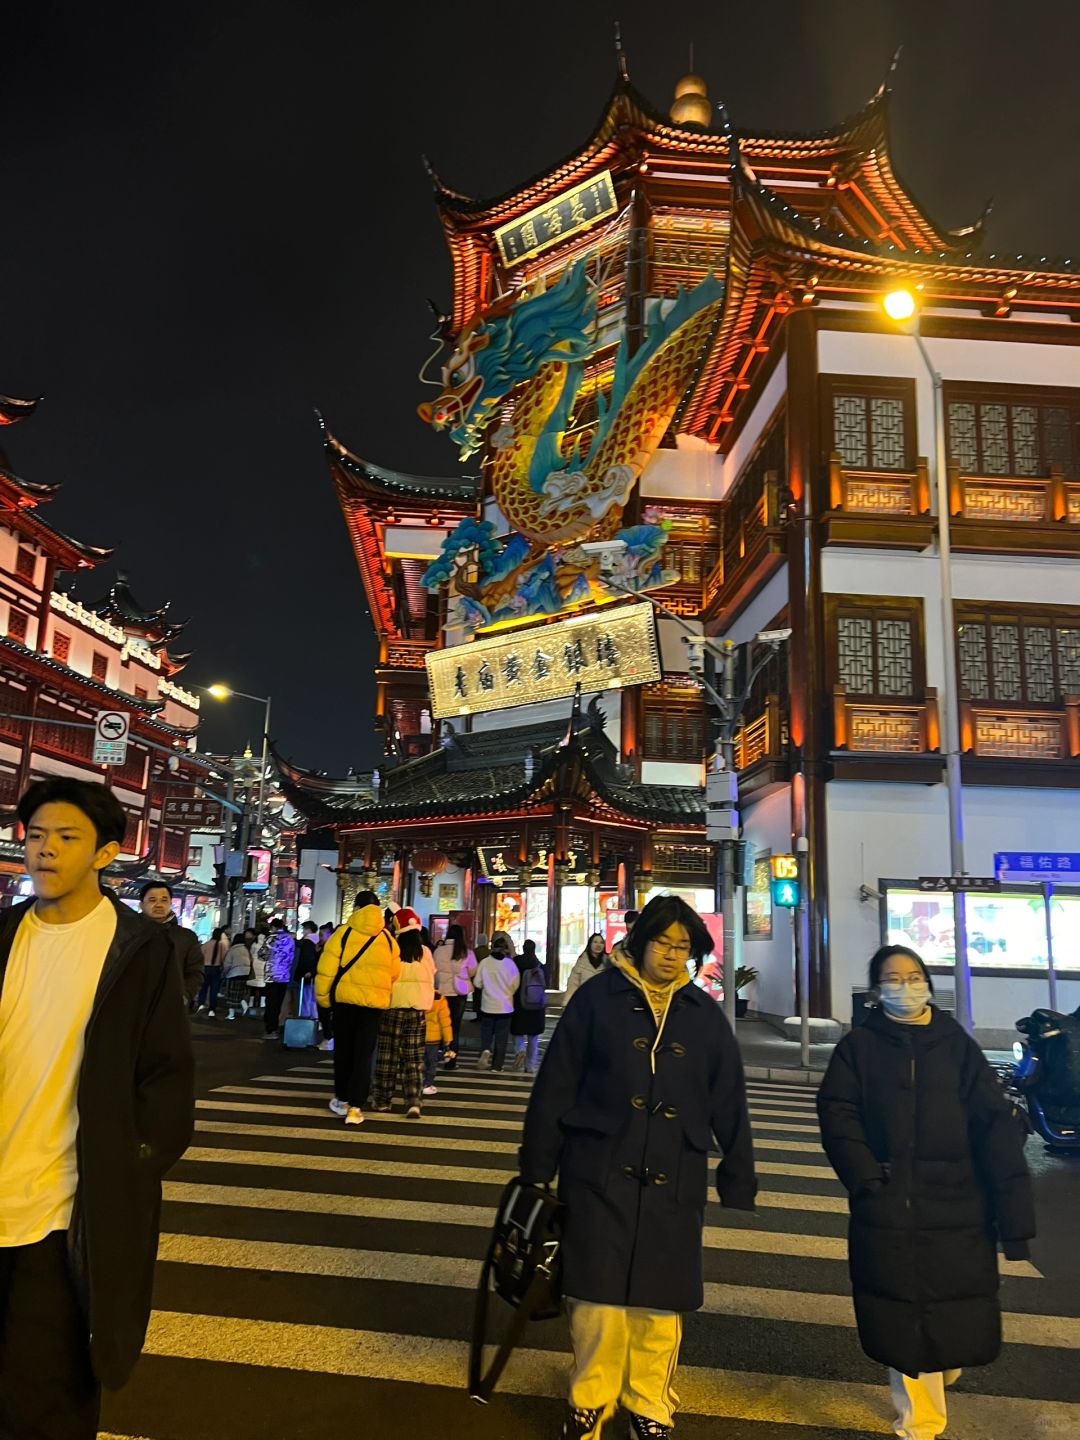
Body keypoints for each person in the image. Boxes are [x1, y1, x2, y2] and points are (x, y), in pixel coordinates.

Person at [520, 894, 756, 1440]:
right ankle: (590, 1396)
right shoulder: (595, 1000)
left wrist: (738, 1169)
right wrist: (538, 1163)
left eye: (683, 947)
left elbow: (730, 1097)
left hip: (676, 1172)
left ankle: (650, 1402)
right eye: (663, 942)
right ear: (640, 940)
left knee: (660, 1303)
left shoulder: (702, 1015)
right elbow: (557, 1083)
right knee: (596, 1299)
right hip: (598, 1169)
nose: (672, 955)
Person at [0, 777, 194, 1436]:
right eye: (35, 836)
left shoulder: (139, 949)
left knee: (46, 1393)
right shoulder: (4, 937)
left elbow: (167, 1074)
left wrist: (132, 1161)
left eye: (66, 838)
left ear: (106, 853)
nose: (44, 851)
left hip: (63, 1213)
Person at [817, 944, 1035, 1440]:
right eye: (892, 978)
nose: (904, 985)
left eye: (913, 976)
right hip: (890, 1205)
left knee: (948, 1328)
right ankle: (920, 1425)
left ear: (927, 984)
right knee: (908, 1322)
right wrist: (867, 1177)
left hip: (958, 1207)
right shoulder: (860, 1048)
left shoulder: (956, 1046)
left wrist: (1015, 1221)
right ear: (876, 990)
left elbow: (993, 1127)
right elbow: (837, 1113)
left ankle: (942, 1368)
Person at [315, 891, 401, 1126]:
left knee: (344, 1052)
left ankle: (342, 1099)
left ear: (357, 908)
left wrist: (323, 1000)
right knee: (364, 1054)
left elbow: (326, 970)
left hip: (344, 1003)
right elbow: (394, 974)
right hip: (373, 1007)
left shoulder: (343, 934)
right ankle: (356, 1106)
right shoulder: (388, 940)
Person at [372, 908, 436, 1118]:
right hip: (417, 1010)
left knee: (387, 1056)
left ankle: (382, 1100)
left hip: (392, 1007)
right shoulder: (425, 952)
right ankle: (414, 1101)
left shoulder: (392, 948)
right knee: (414, 1058)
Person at [139, 880, 203, 1006]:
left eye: (164, 900)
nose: (159, 905)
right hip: (132, 1005)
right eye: (152, 900)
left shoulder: (186, 937)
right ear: (141, 904)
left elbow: (195, 971)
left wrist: (184, 996)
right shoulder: (129, 932)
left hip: (170, 1005)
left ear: (170, 903)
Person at [432, 922, 476, 1069]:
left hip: (442, 993)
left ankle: (436, 1057)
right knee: (454, 1028)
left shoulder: (439, 951)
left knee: (439, 1026)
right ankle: (451, 1061)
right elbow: (472, 971)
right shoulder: (467, 952)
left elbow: (434, 970)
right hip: (459, 993)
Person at [474, 930, 519, 1072]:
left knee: (486, 1033)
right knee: (502, 1037)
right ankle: (497, 1066)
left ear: (492, 947)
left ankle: (486, 1050)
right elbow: (515, 984)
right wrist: (508, 993)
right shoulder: (510, 965)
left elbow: (477, 983)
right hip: (505, 1007)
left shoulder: (484, 963)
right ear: (505, 948)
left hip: (487, 1005)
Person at [510, 937, 546, 1074]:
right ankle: (530, 1066)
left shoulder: (516, 963)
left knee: (517, 1032)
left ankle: (520, 1050)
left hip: (519, 1003)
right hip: (536, 1005)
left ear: (524, 948)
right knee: (533, 1037)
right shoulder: (540, 965)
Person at [263, 917, 296, 1040]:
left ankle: (270, 1029)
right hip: (284, 976)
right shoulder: (290, 939)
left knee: (271, 1003)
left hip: (272, 975)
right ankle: (276, 1026)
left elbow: (262, 955)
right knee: (279, 1003)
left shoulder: (271, 938)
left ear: (273, 927)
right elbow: (292, 956)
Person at [423, 988, 455, 1096]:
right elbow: (445, 1022)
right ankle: (427, 1084)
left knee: (417, 1061)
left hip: (417, 1035)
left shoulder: (417, 996)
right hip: (433, 1038)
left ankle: (416, 1083)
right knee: (431, 1063)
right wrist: (447, 1040)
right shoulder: (440, 999)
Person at [562, 932, 609, 1003]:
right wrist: (567, 1003)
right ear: (590, 944)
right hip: (584, 1001)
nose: (598, 945)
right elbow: (573, 984)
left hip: (602, 1003)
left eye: (601, 942)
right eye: (595, 942)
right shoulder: (581, 962)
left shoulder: (608, 963)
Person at [194, 925, 230, 1016]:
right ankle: (212, 1009)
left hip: (205, 968)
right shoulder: (222, 946)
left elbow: (199, 955)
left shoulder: (206, 944)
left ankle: (201, 1004)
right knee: (214, 989)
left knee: (203, 987)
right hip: (216, 968)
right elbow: (223, 958)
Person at [221, 928, 255, 1020]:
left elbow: (227, 964)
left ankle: (231, 1014)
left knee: (231, 994)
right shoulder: (246, 949)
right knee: (240, 992)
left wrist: (225, 972)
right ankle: (245, 1006)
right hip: (245, 973)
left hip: (234, 974)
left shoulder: (232, 950)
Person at [316, 921, 335, 1051]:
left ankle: (329, 1038)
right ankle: (329, 1038)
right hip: (328, 986)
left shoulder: (330, 949)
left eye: (322, 935)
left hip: (327, 986)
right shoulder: (326, 947)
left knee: (325, 1012)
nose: (320, 938)